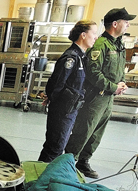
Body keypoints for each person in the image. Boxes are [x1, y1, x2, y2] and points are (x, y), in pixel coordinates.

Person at [64, 7, 136, 178]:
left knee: (97, 133)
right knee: (84, 130)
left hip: (108, 98)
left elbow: (119, 69)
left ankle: (83, 161)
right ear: (115, 24)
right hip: (95, 96)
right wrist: (113, 86)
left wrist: (122, 83)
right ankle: (66, 162)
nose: (127, 26)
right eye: (126, 22)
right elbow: (93, 72)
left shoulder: (118, 45)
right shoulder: (100, 44)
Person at [38, 20, 98, 163]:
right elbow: (57, 83)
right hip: (63, 109)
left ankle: (43, 176)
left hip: (70, 109)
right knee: (55, 147)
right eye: (94, 33)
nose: (96, 37)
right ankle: (40, 179)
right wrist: (53, 100)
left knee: (57, 146)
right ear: (83, 35)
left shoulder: (81, 57)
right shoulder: (71, 57)